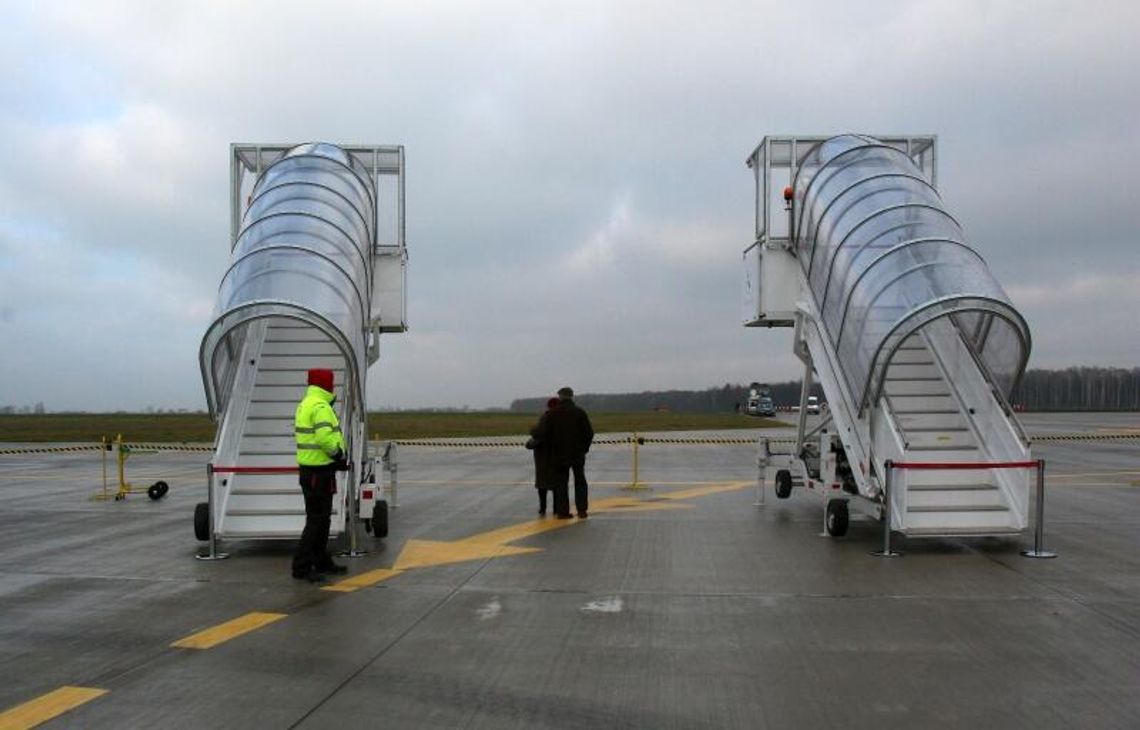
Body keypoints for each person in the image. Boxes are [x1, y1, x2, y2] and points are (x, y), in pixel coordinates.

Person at [292, 368, 350, 582]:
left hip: (309, 470)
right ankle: (302, 567)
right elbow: (326, 439)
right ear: (326, 384)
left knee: (320, 519)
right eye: (331, 383)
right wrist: (339, 453)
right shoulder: (321, 406)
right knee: (317, 520)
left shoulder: (305, 404)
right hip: (320, 471)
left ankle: (321, 561)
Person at [534, 386, 594, 519]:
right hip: (577, 454)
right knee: (580, 481)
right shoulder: (580, 412)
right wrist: (584, 448)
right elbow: (589, 433)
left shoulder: (552, 414)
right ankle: (582, 510)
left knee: (561, 483)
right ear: (572, 396)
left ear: (560, 397)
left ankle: (562, 512)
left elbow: (542, 433)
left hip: (558, 454)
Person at [526, 397, 560, 516]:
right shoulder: (560, 418)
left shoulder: (545, 418)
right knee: (556, 485)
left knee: (542, 484)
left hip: (542, 456)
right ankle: (556, 508)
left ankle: (543, 508)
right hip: (557, 456)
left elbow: (536, 432)